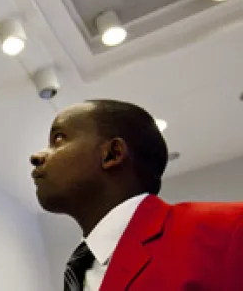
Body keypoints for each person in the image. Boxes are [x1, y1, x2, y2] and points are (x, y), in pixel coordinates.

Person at [30, 99, 243, 291]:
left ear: (112, 154)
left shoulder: (229, 229)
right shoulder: (80, 275)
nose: (36, 156)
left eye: (58, 139)